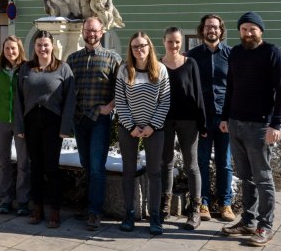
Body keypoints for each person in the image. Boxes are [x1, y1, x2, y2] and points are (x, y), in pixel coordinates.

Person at [220, 12, 281, 247]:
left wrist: (276, 124)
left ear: (261, 31)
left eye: (252, 29)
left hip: (260, 126)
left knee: (263, 178)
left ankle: (265, 226)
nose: (248, 33)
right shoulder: (236, 53)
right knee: (245, 177)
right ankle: (247, 221)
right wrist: (225, 117)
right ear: (239, 32)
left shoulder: (273, 54)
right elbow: (231, 87)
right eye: (244, 29)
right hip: (236, 123)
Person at [14, 30, 75, 229]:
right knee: (36, 167)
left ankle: (55, 210)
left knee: (52, 167)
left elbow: (70, 101)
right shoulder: (26, 68)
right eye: (39, 45)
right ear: (34, 48)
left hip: (53, 123)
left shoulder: (63, 69)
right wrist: (20, 126)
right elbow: (18, 100)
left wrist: (66, 126)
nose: (42, 48)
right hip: (31, 122)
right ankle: (37, 207)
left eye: (46, 44)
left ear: (52, 45)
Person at [66, 17, 121, 231]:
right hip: (79, 119)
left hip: (99, 120)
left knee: (97, 166)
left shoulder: (112, 58)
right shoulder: (73, 59)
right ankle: (90, 204)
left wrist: (110, 107)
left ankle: (95, 212)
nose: (91, 33)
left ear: (102, 31)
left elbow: (121, 88)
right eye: (88, 30)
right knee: (87, 164)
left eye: (95, 30)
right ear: (82, 31)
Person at [115, 32, 170, 235]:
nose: (139, 49)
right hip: (128, 130)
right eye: (135, 46)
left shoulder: (160, 70)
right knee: (128, 171)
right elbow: (120, 101)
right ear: (131, 49)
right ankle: (129, 214)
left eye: (142, 45)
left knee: (155, 173)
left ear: (149, 46)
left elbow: (165, 101)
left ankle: (155, 217)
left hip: (154, 130)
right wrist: (131, 127)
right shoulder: (124, 70)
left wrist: (151, 126)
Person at [187, 14, 235, 222]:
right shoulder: (193, 56)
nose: (211, 30)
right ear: (202, 30)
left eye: (215, 27)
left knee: (225, 163)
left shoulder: (231, 55)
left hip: (225, 118)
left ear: (221, 31)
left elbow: (236, 87)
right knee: (202, 161)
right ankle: (203, 203)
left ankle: (226, 204)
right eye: (208, 27)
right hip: (203, 118)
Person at [159, 27, 206, 230]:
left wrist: (202, 122)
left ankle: (195, 209)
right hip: (164, 120)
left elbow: (198, 93)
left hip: (189, 121)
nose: (174, 45)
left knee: (192, 165)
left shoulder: (190, 63)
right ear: (164, 42)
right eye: (170, 41)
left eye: (177, 41)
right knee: (166, 163)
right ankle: (165, 206)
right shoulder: (158, 65)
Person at [0, 35, 30, 216]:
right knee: (3, 162)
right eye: (7, 48)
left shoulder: (27, 69)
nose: (10, 51)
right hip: (2, 120)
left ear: (19, 49)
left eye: (13, 48)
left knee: (23, 162)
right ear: (2, 50)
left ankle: (22, 201)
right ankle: (5, 199)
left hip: (21, 122)